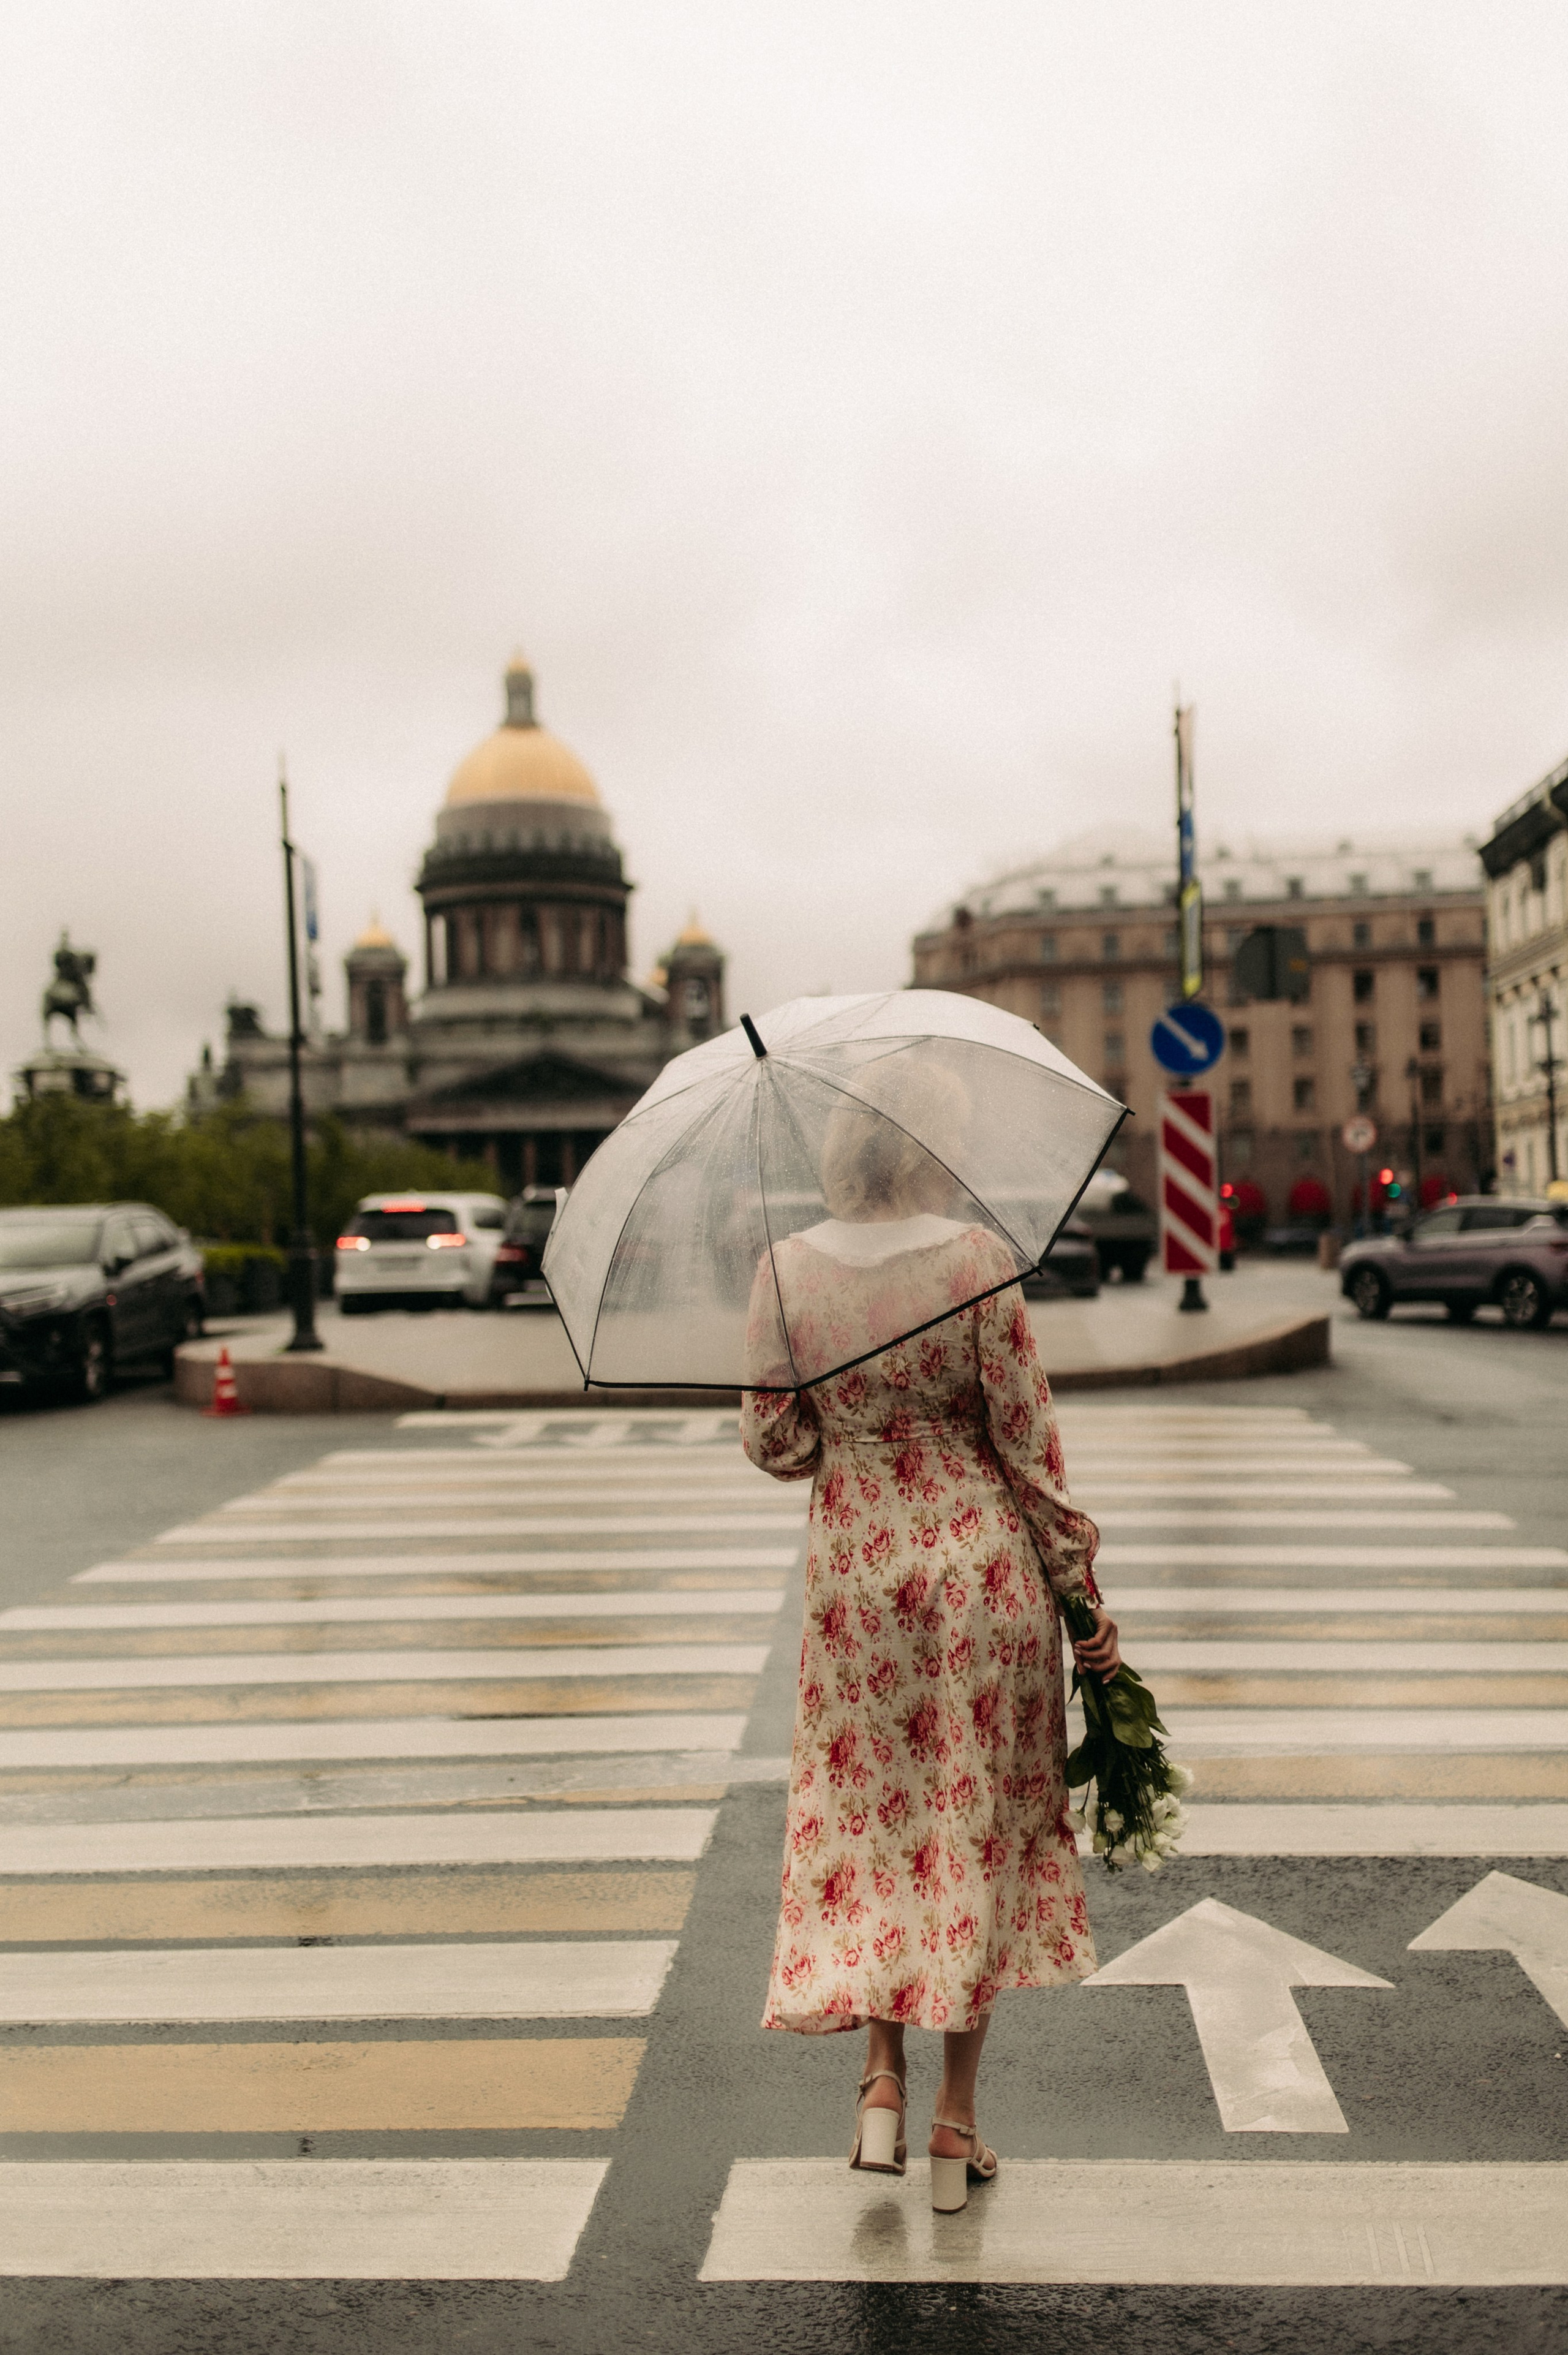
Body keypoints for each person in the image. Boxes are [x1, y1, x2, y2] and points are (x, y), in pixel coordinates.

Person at [741, 1095, 1120, 2213]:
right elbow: (1027, 1438)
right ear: (929, 1155)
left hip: (860, 1584)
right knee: (969, 1832)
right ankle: (956, 2125)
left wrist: (846, 1431)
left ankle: (878, 2088)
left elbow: (774, 1440)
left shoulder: (783, 1272)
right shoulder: (977, 1262)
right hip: (980, 1576)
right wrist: (1084, 1599)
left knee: (874, 1826)